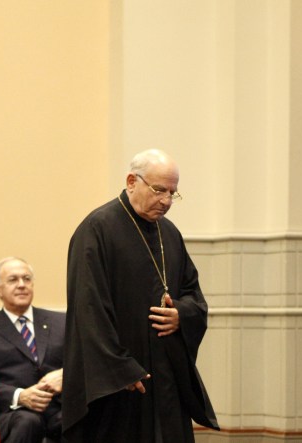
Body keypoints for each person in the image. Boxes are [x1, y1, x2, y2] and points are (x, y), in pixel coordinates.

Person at [62, 149, 219, 442]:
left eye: (173, 193)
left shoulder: (169, 233)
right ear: (132, 181)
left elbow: (192, 293)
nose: (167, 201)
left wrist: (181, 315)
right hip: (120, 384)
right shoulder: (96, 229)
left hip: (166, 378)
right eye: (159, 190)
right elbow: (89, 307)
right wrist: (119, 367)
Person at [0, 257, 65, 443]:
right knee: (27, 421)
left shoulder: (61, 322)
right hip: (13, 412)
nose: (22, 285)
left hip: (59, 407)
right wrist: (20, 395)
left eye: (27, 278)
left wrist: (66, 373)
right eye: (13, 280)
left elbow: (85, 361)